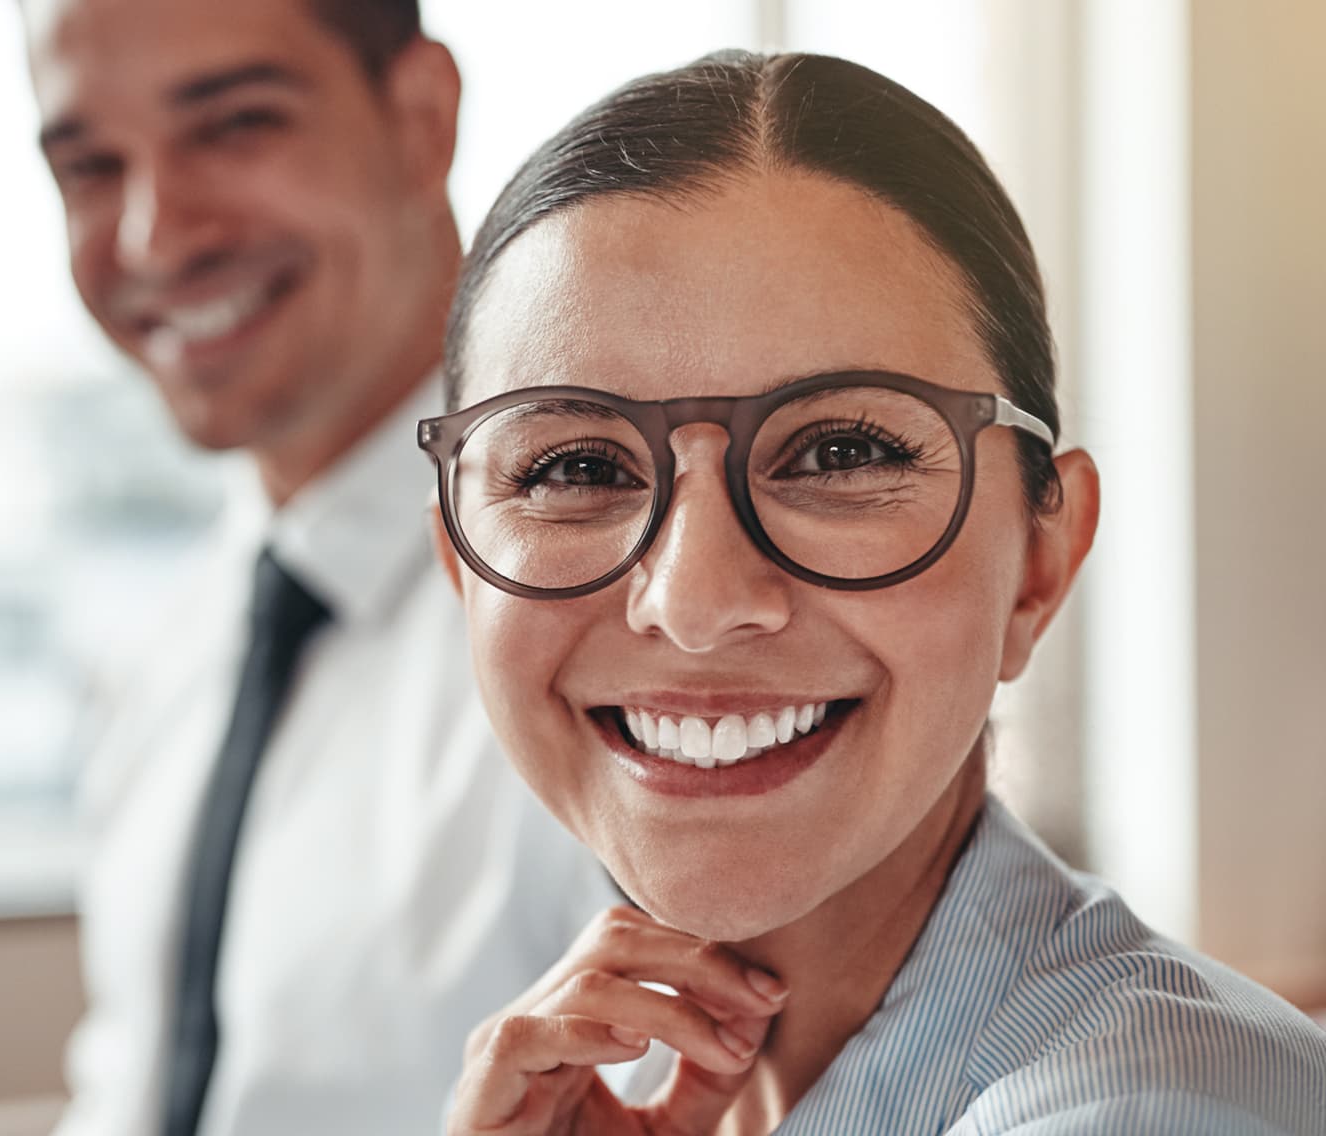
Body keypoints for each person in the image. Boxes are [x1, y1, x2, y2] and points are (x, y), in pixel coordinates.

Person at [425, 50, 1326, 1135]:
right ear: (457, 566)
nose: (696, 599)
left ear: (1042, 561)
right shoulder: (616, 1089)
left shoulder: (1149, 1108)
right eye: (575, 467)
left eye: (840, 452)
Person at [19, 1, 618, 1134]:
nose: (153, 236)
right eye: (91, 165)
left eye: (236, 124)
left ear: (422, 118)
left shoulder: (620, 627)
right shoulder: (172, 649)